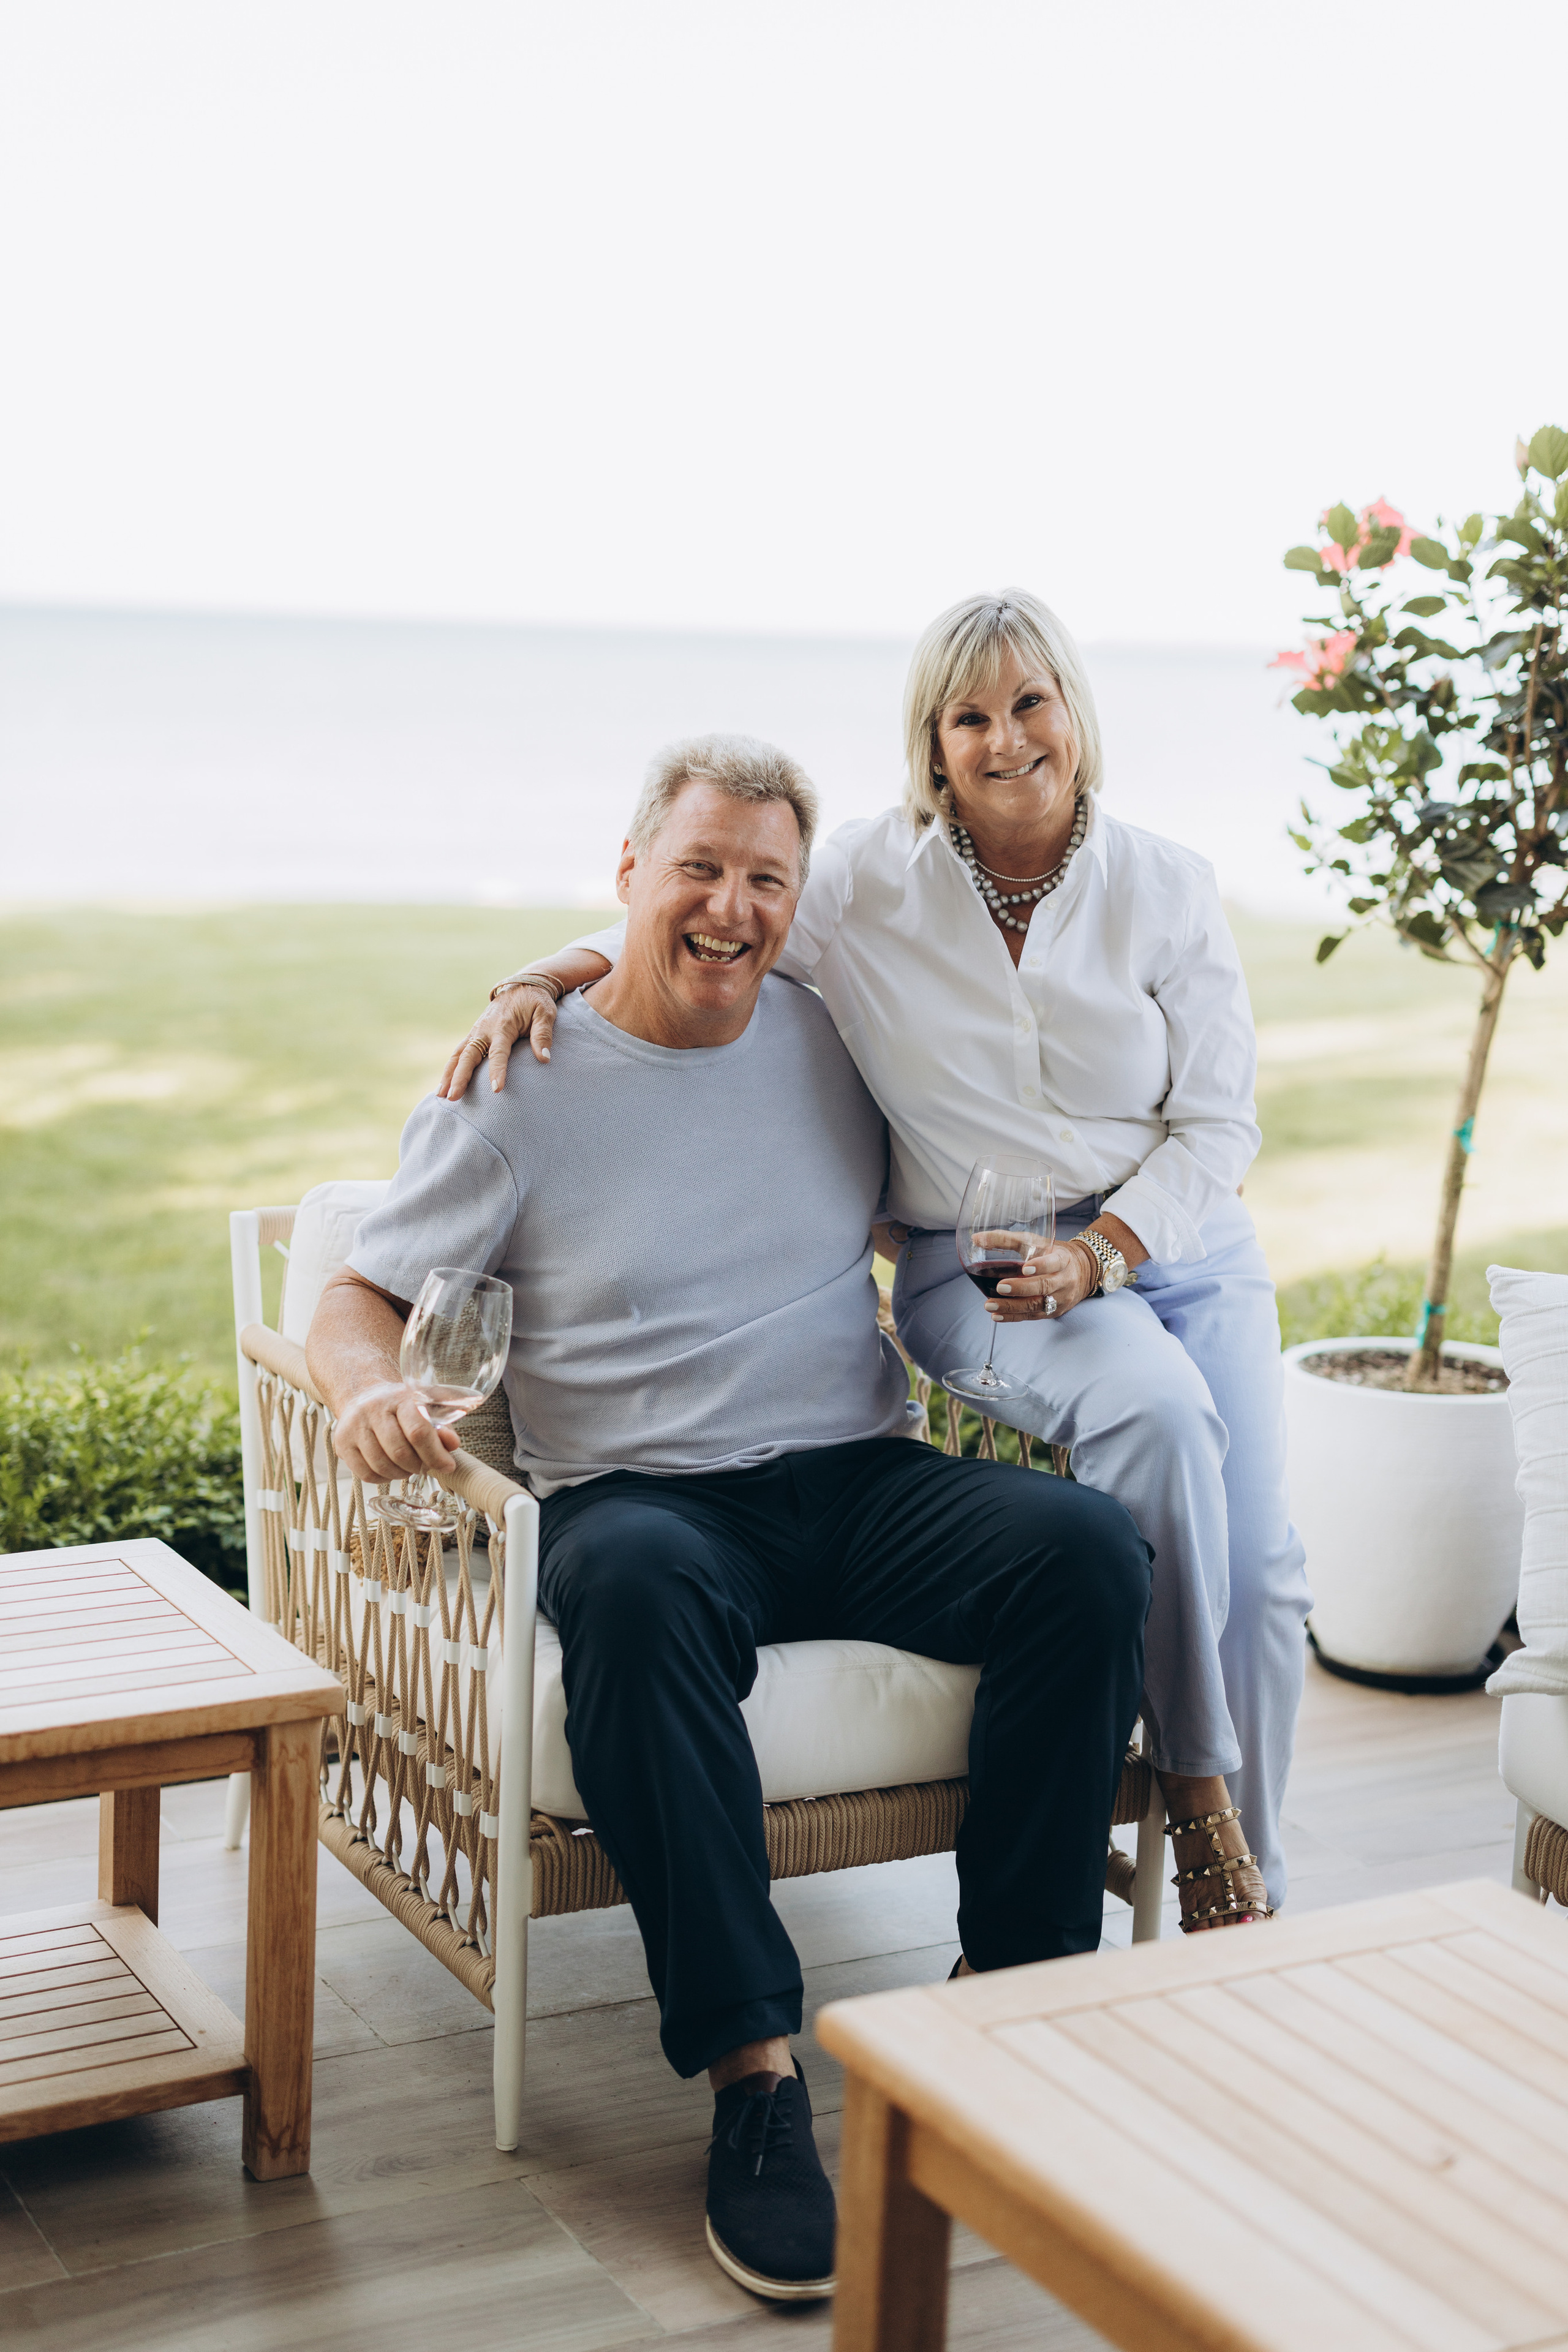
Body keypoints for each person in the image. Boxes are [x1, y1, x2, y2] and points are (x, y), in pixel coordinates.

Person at [307, 733, 1151, 2303]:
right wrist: (363, 1392)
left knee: (1085, 1551)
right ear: (628, 875)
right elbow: (358, 1293)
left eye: (767, 878)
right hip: (647, 1502)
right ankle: (755, 2083)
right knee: (620, 1588)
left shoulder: (824, 1038)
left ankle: (1005, 2008)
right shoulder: (521, 1081)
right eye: (697, 867)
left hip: (851, 1471)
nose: (730, 907)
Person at [442, 592, 1313, 1931]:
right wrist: (538, 976)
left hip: (1175, 1239)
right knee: (1153, 1422)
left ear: (1073, 711)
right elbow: (716, 915)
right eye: (968, 715)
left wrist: (1114, 1252)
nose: (1004, 737)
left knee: (1259, 1572)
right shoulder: (863, 877)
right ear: (930, 743)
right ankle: (1193, 1797)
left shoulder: (1165, 887)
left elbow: (1218, 1124)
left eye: (1029, 702)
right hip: (988, 1264)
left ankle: (1251, 1887)